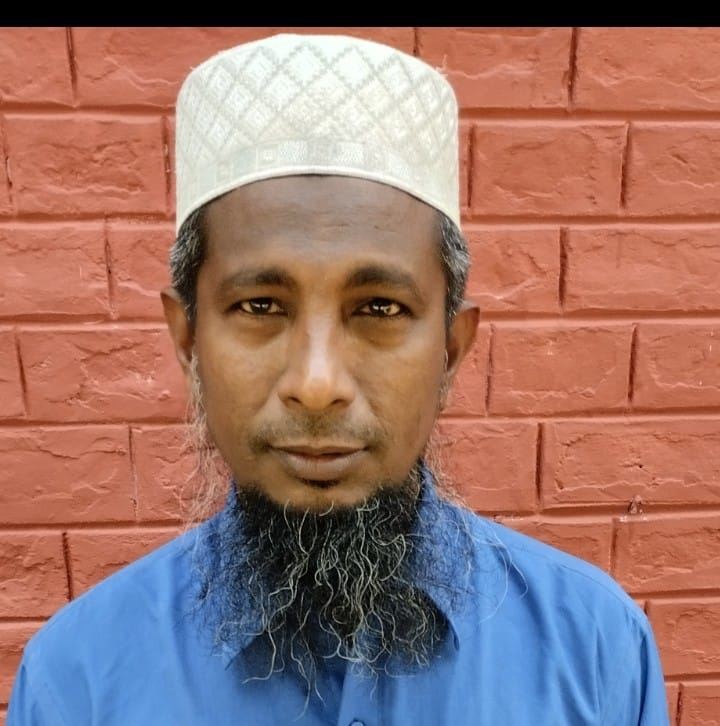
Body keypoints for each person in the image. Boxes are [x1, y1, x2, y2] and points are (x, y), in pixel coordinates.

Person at [7, 32, 669, 725]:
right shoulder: (77, 681)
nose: (317, 384)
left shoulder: (597, 650)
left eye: (379, 308)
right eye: (260, 307)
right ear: (189, 341)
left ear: (450, 350)